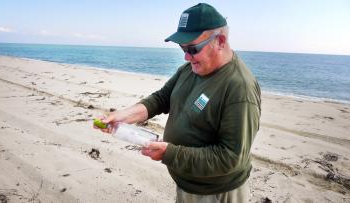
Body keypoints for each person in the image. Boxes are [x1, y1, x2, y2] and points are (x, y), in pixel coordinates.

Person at [96, 3, 261, 203]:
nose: (186, 56)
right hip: (188, 182)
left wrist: (171, 154)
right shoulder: (190, 69)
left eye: (193, 48)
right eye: (183, 48)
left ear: (220, 41)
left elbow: (230, 157)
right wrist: (122, 116)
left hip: (215, 192)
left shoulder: (239, 88)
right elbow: (161, 98)